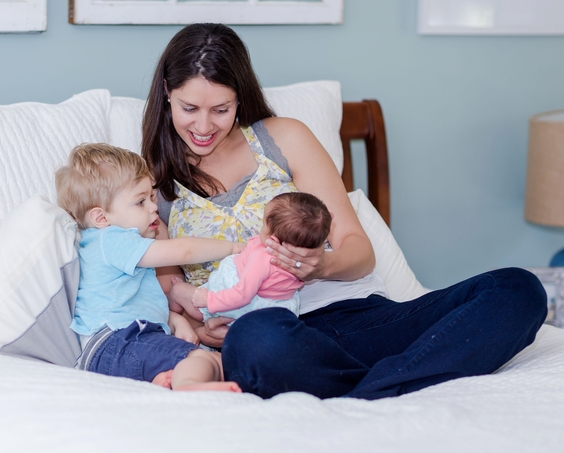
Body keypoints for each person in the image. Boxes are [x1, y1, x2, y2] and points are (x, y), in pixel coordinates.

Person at [141, 23, 548, 400]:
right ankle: (402, 382)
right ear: (167, 92)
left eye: (221, 109)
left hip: (360, 318)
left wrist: (317, 265)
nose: (205, 126)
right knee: (257, 339)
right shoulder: (152, 185)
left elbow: (359, 251)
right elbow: (170, 299)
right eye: (190, 108)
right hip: (273, 337)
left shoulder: (284, 138)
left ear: (239, 99)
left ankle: (365, 395)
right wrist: (203, 332)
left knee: (517, 289)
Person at [55, 142, 243, 393]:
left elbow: (136, 304)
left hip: (116, 349)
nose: (154, 207)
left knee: (213, 362)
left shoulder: (109, 249)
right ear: (101, 218)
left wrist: (175, 321)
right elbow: (183, 251)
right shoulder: (111, 239)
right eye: (140, 201)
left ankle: (163, 384)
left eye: (151, 197)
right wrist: (232, 249)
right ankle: (189, 388)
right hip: (119, 342)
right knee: (204, 360)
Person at [169, 191, 331, 324]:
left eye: (263, 225)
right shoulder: (300, 259)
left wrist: (209, 300)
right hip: (276, 308)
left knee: (178, 290)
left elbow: (242, 294)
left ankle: (173, 313)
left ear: (272, 239)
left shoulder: (263, 258)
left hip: (236, 303)